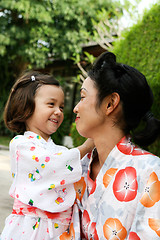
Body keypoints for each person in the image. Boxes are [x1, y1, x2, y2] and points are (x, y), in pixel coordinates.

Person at [59, 51, 160, 240]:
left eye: (82, 97)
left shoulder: (151, 171)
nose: (75, 108)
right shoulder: (79, 166)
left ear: (110, 104)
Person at [1, 71, 94, 240]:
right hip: (30, 228)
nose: (58, 111)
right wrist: (87, 146)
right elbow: (51, 165)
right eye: (51, 104)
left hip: (60, 230)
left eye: (61, 106)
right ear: (27, 107)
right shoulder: (21, 145)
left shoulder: (58, 150)